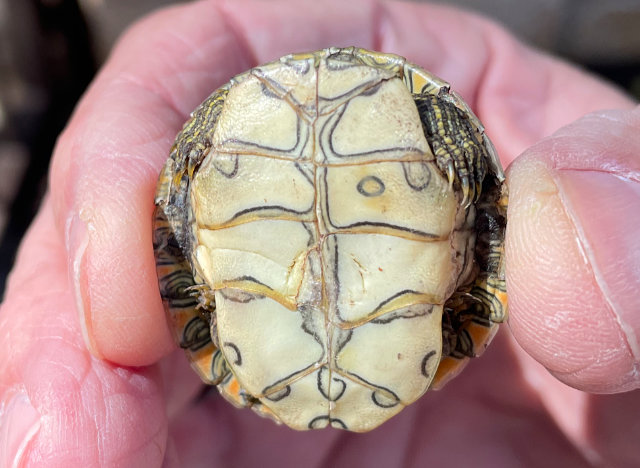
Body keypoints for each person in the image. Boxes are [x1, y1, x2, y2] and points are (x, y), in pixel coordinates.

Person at [1, 0, 638, 466]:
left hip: (259, 130)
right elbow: (483, 220)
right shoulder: (461, 271)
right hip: (388, 120)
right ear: (446, 290)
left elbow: (176, 212)